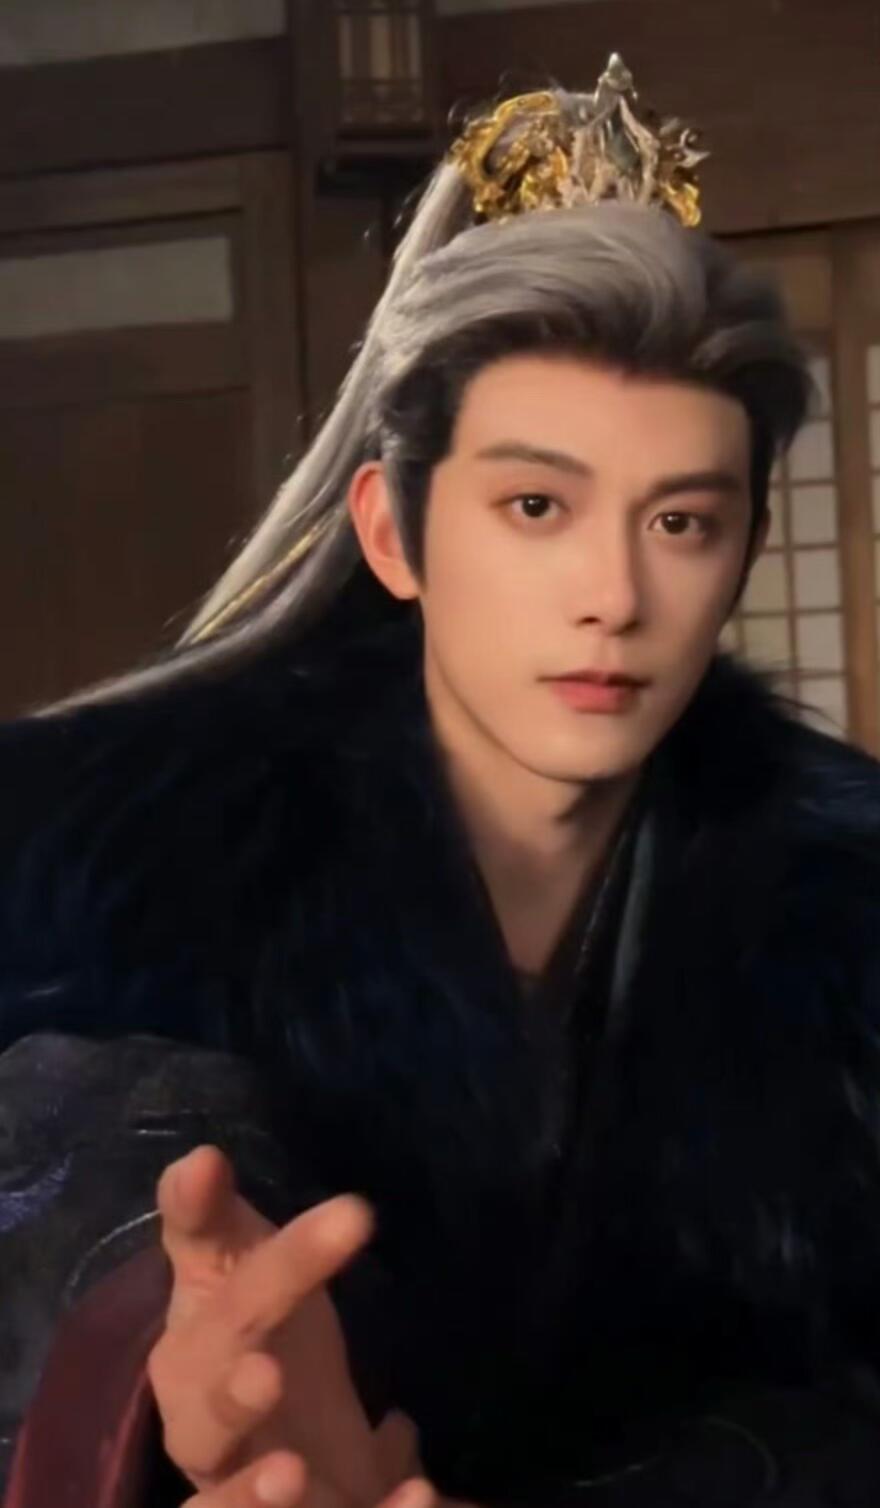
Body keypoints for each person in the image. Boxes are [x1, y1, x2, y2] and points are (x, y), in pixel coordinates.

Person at [3, 53, 880, 1508]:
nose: (614, 596)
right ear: (393, 535)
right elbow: (69, 1133)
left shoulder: (848, 884)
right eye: (536, 505)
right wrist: (157, 1330)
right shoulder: (127, 842)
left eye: (681, 522)